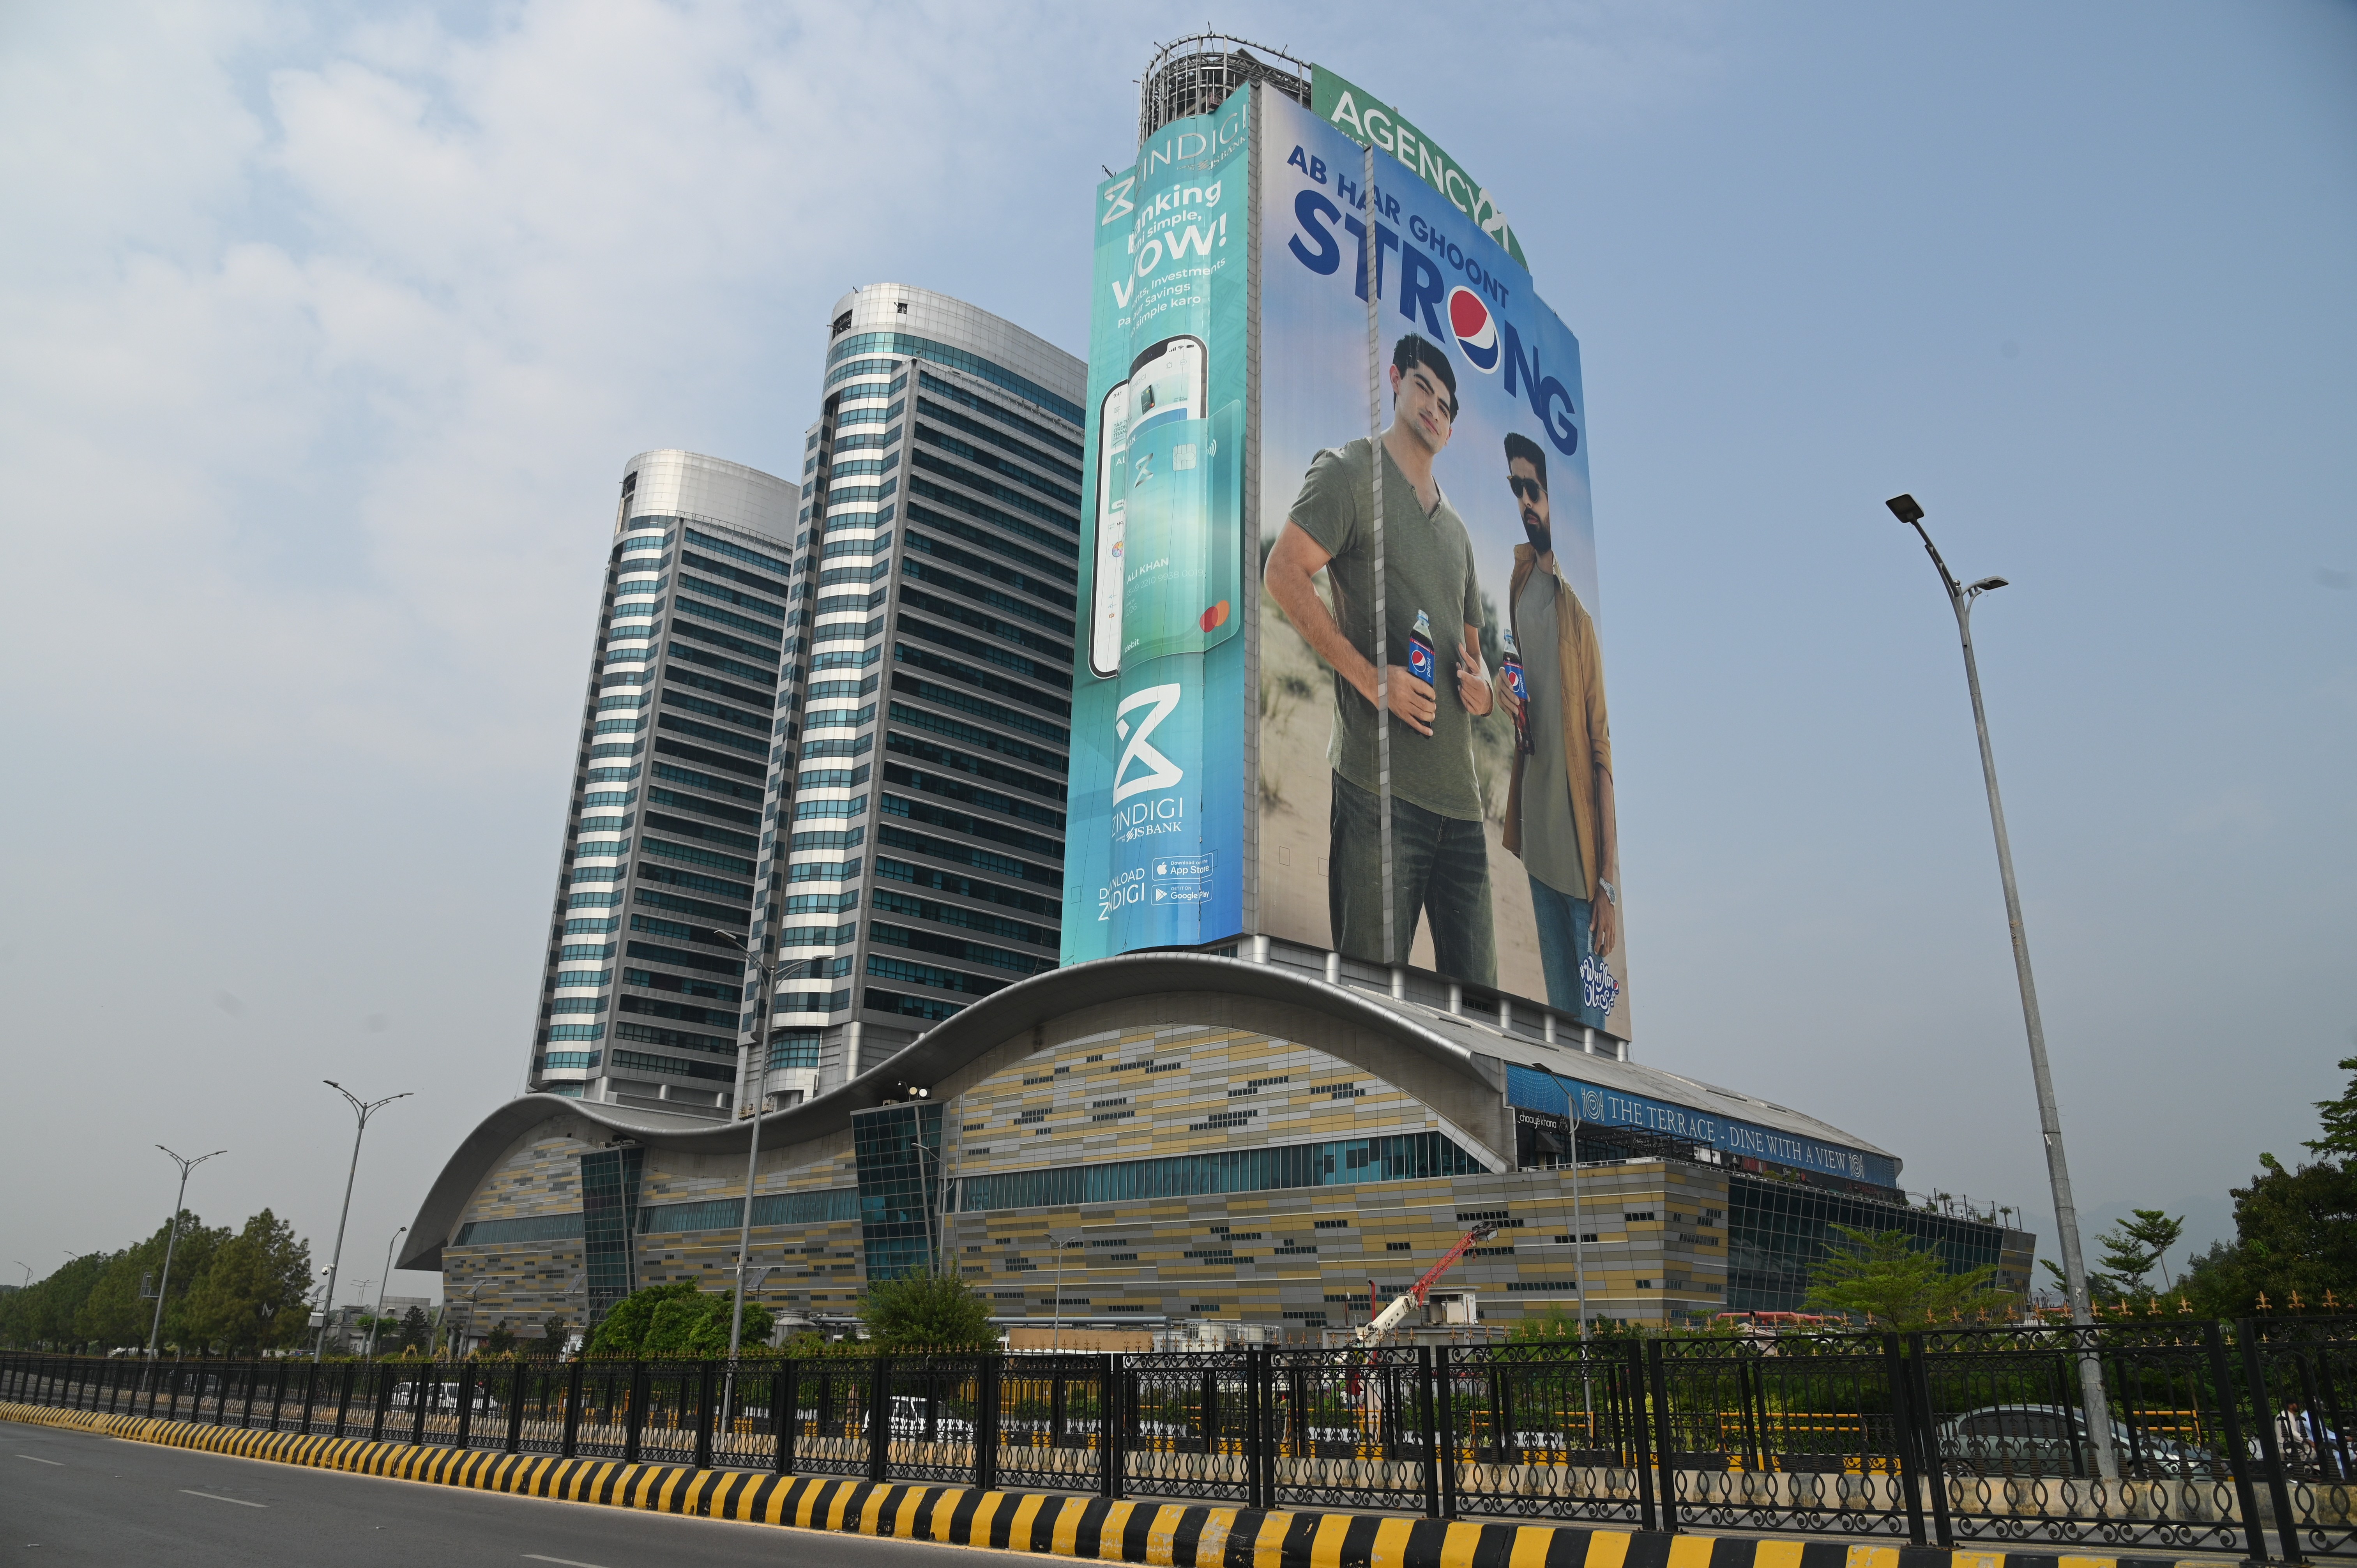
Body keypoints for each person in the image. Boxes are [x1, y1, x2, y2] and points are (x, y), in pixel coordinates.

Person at [1264, 334, 1497, 984]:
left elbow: (1472, 656)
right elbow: (1283, 574)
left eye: (1448, 406)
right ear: (1395, 381)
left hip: (1463, 810)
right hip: (1378, 794)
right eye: (1424, 387)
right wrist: (1372, 681)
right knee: (1373, 1013)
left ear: (1452, 430)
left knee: (1486, 1024)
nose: (1434, 409)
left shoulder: (1458, 534)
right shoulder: (1347, 474)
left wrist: (1478, 691)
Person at [1493, 432, 1621, 1025]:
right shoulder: (1519, 588)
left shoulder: (1578, 618)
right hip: (1539, 852)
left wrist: (1609, 886)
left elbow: (1601, 755)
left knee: (1594, 1033)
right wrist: (1503, 692)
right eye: (1517, 488)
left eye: (1534, 489)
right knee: (1563, 1027)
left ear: (1552, 499)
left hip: (1581, 871)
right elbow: (1521, 689)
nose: (1526, 501)